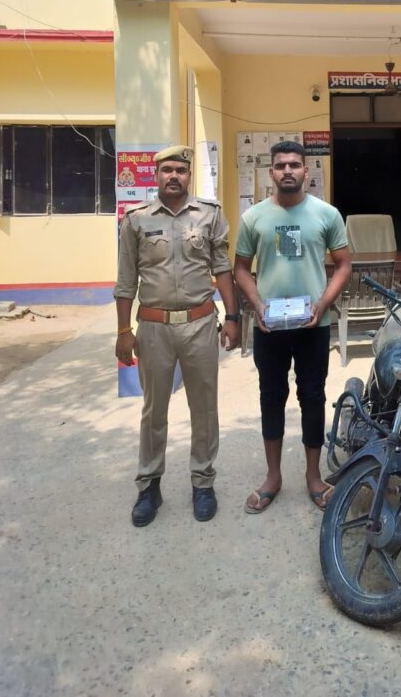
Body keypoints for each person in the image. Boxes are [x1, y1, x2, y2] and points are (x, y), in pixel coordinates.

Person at [114, 145, 240, 527]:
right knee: (154, 410)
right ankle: (149, 485)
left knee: (204, 408)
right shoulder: (136, 220)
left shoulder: (209, 215)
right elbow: (125, 281)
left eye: (180, 170)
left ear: (189, 175)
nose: (174, 176)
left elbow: (222, 269)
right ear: (156, 175)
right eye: (167, 169)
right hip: (153, 328)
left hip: (200, 324)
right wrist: (123, 331)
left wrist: (232, 317)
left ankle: (203, 481)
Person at [234, 141, 351, 514]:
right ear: (271, 172)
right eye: (281, 165)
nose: (288, 170)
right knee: (271, 397)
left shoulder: (326, 214)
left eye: (295, 165)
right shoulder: (254, 217)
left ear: (306, 171)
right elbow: (240, 269)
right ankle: (273, 476)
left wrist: (323, 302)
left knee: (312, 397)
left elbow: (344, 265)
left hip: (313, 324)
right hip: (269, 327)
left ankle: (313, 476)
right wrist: (257, 305)